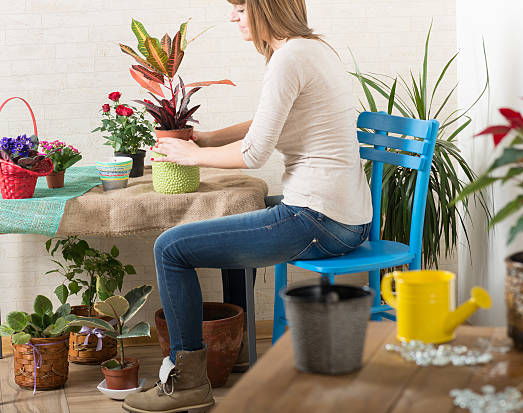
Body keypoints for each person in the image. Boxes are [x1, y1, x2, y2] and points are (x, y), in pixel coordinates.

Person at [122, 0, 372, 412]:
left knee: (171, 248)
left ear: (266, 8)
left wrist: (189, 156)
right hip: (343, 216)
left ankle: (186, 383)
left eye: (240, 9)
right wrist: (206, 139)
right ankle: (234, 350)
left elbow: (255, 153)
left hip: (318, 218)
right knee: (229, 222)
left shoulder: (289, 58)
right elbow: (267, 123)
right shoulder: (312, 48)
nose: (233, 18)